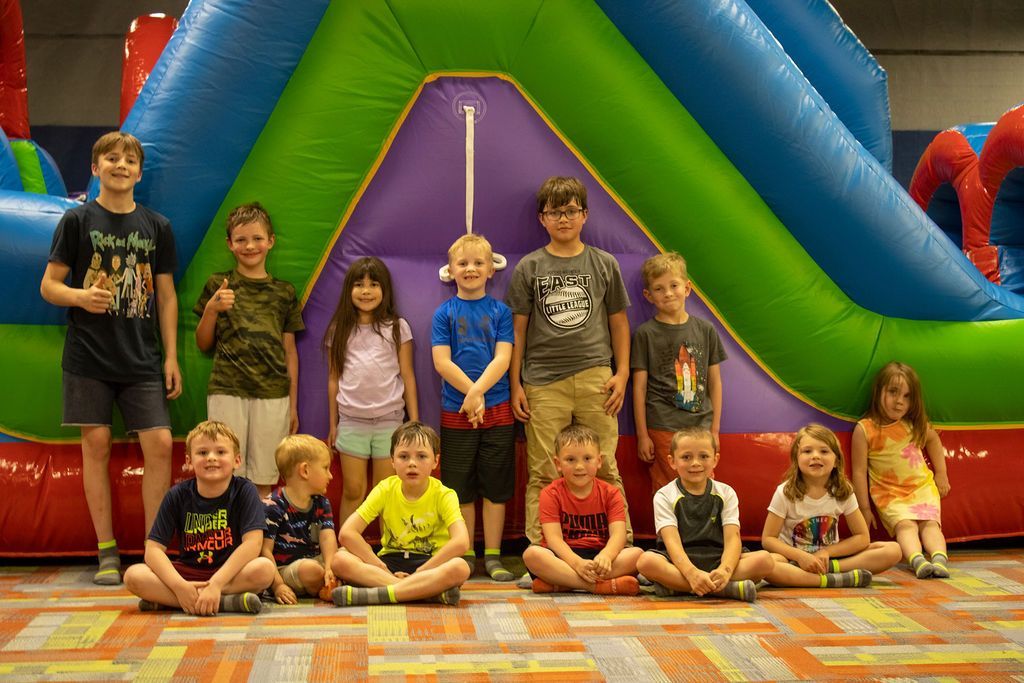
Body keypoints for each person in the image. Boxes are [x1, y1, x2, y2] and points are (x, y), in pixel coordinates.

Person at [40, 131, 182, 585]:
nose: (121, 165)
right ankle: (106, 551)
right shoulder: (77, 221)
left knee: (160, 444)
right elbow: (49, 286)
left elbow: (166, 296)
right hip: (89, 357)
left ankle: (153, 550)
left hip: (141, 358)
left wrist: (171, 357)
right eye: (112, 158)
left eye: (129, 160)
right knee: (96, 443)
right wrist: (81, 297)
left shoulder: (157, 226)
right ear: (95, 168)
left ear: (139, 173)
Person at [505, 176, 633, 554]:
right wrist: (516, 384)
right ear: (542, 219)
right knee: (544, 469)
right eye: (555, 212)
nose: (563, 219)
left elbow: (619, 323)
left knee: (605, 466)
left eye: (571, 211)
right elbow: (517, 330)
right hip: (543, 382)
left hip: (597, 377)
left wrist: (622, 373)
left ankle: (619, 547)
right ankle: (541, 551)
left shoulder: (604, 263)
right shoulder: (529, 267)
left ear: (585, 215)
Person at [194, 202, 304, 498]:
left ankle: (258, 527)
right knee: (224, 471)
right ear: (230, 244)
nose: (250, 246)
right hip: (227, 389)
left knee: (264, 476)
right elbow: (203, 343)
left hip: (273, 393)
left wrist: (293, 404)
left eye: (257, 238)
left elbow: (290, 351)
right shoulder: (218, 285)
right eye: (241, 240)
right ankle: (230, 526)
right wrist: (212, 310)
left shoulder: (284, 292)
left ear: (271, 241)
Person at [123, 421, 275, 615]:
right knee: (133, 576)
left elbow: (253, 544)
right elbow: (153, 550)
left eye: (221, 452)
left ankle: (179, 601)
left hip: (230, 573)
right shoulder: (177, 495)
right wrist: (179, 586)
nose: (211, 457)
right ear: (189, 461)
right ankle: (223, 602)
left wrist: (217, 583)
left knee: (265, 569)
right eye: (202, 452)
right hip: (187, 573)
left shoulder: (245, 491)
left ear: (237, 460)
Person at [431, 234, 515, 581]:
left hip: (498, 410)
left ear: (491, 270)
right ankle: (465, 553)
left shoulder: (501, 312)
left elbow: (503, 358)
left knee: (495, 486)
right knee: (460, 486)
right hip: (457, 412)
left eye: (478, 263)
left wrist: (478, 392)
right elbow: (442, 362)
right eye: (463, 263)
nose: (470, 269)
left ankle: (492, 555)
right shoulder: (444, 313)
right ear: (450, 270)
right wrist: (470, 395)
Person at [330, 422, 469, 606]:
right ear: (392, 461)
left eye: (421, 456)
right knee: (340, 559)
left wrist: (420, 572)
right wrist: (381, 568)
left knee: (460, 567)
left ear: (435, 461)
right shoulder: (385, 488)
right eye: (403, 456)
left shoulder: (444, 495)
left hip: (429, 565)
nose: (412, 463)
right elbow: (347, 533)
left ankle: (382, 593)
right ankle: (422, 592)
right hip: (389, 562)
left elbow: (461, 542)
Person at [323, 256, 418, 523]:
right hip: (352, 422)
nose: (366, 291)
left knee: (385, 492)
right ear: (349, 290)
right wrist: (333, 424)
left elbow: (408, 376)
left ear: (384, 289)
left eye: (374, 284)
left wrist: (414, 421)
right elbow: (333, 379)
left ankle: (390, 546)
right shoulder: (339, 330)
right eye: (359, 285)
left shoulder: (397, 327)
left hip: (389, 421)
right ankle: (346, 545)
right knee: (353, 490)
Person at [636, 427, 773, 602]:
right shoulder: (664, 495)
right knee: (646, 562)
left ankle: (676, 586)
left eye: (703, 456)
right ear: (672, 461)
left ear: (715, 460)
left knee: (765, 560)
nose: (695, 463)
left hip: (718, 559)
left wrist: (725, 570)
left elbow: (733, 538)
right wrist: (691, 573)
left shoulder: (726, 492)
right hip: (679, 562)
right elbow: (672, 542)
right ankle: (723, 589)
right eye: (686, 457)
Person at [631, 252, 726, 493]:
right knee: (668, 485)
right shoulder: (645, 334)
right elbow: (639, 388)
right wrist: (642, 435)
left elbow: (715, 382)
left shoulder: (705, 330)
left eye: (674, 285)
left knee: (702, 483)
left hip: (700, 425)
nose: (668, 293)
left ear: (687, 288)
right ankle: (668, 521)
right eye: (659, 288)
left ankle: (702, 519)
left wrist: (714, 429)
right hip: (663, 425)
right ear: (648, 295)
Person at [762, 424, 901, 588]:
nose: (815, 456)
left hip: (830, 559)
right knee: (766, 563)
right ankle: (829, 580)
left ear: (836, 461)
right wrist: (800, 556)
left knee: (893, 550)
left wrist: (827, 553)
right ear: (796, 459)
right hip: (792, 559)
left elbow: (862, 537)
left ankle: (830, 570)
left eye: (824, 451)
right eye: (807, 451)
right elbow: (768, 539)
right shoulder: (785, 492)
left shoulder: (843, 491)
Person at [852, 361, 952, 579]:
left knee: (931, 525)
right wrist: (864, 508)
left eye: (907, 396)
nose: (899, 401)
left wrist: (941, 472)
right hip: (890, 494)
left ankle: (939, 560)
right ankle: (917, 560)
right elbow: (859, 471)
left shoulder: (912, 424)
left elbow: (933, 440)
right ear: (879, 391)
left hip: (921, 487)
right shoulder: (865, 429)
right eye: (893, 392)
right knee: (905, 526)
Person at [522, 424, 643, 594]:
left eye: (587, 458)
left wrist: (607, 556)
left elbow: (619, 535)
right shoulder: (550, 493)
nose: (579, 466)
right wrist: (576, 563)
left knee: (637, 555)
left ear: (599, 461)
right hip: (564, 558)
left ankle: (563, 584)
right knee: (532, 555)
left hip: (600, 557)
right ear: (558, 463)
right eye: (570, 460)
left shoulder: (611, 493)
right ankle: (598, 586)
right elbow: (553, 539)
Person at [262, 434, 338, 603]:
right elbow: (264, 550)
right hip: (286, 570)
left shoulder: (321, 502)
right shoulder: (273, 505)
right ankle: (330, 586)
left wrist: (330, 568)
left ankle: (329, 582)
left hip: (316, 561)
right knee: (310, 569)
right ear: (305, 471)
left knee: (346, 557)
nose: (330, 476)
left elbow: (328, 537)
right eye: (325, 468)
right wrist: (278, 585)